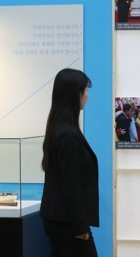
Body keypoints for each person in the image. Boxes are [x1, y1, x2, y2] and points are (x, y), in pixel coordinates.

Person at [40, 68, 98, 257]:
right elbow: (70, 183)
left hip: (60, 219)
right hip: (67, 222)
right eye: (85, 91)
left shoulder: (60, 126)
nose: (87, 96)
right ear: (74, 95)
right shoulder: (67, 133)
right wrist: (81, 226)